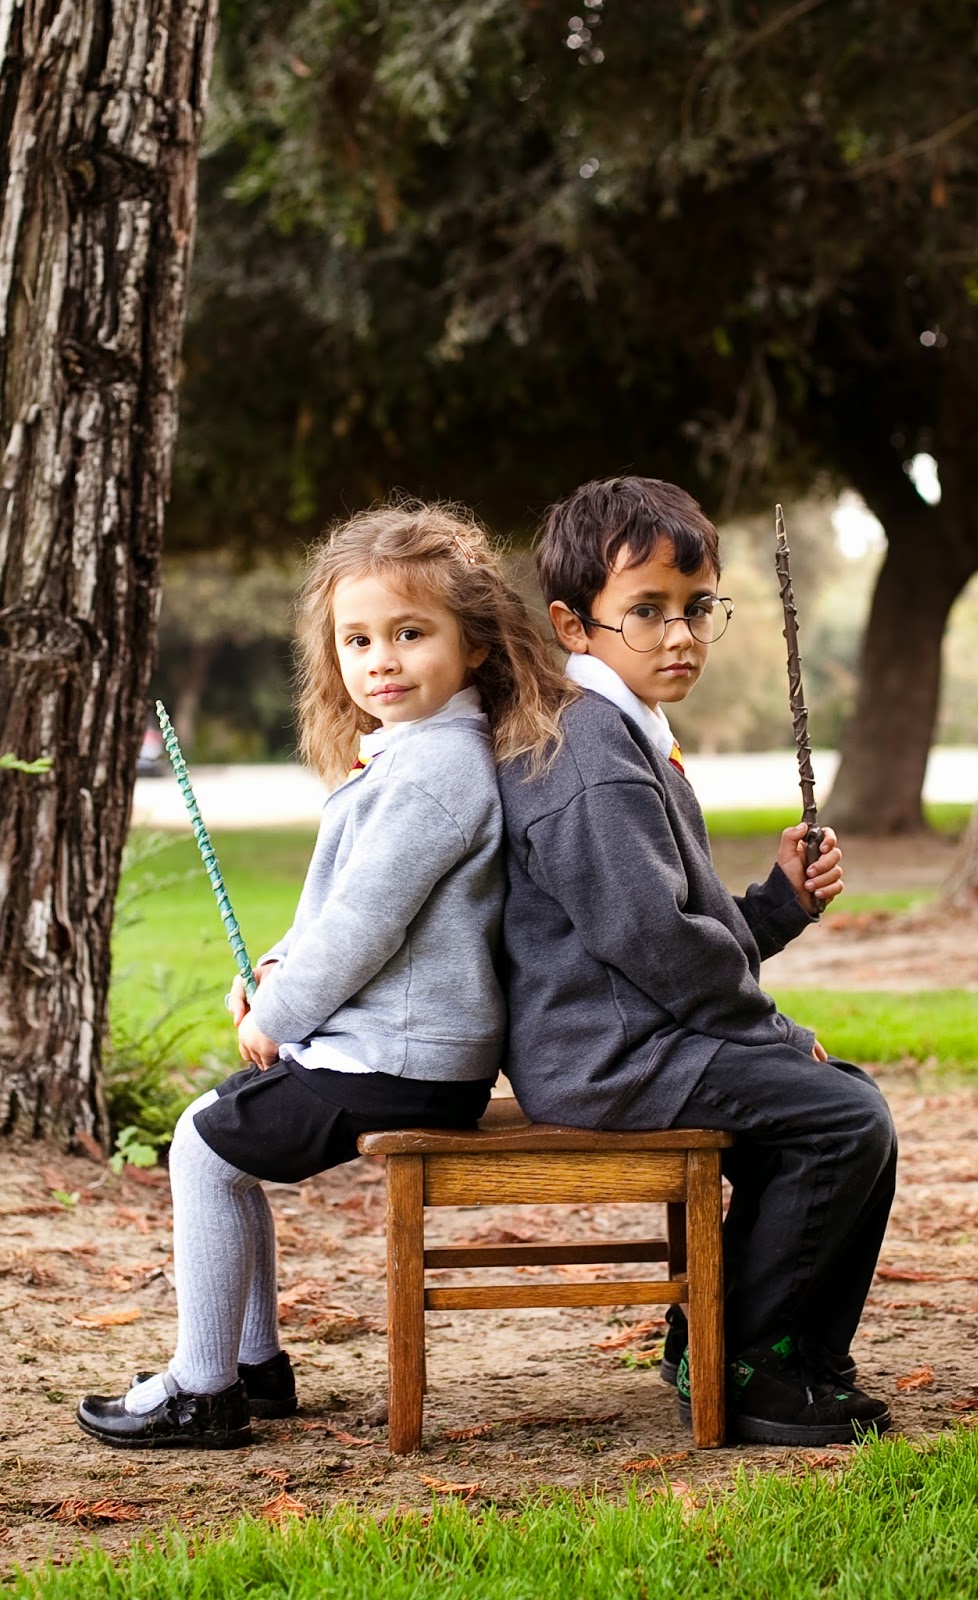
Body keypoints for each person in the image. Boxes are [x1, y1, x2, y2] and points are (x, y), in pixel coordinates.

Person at [78, 499, 572, 1450]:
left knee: (204, 1149)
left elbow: (362, 928)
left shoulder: (433, 771)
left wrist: (281, 1014)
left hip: (402, 1059)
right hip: (399, 1049)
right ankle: (253, 1366)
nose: (382, 659)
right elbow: (341, 907)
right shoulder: (412, 754)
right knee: (214, 1137)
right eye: (358, 640)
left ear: (473, 644)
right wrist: (274, 968)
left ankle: (204, 1387)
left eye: (410, 633)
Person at [498, 475, 897, 1447]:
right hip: (606, 1053)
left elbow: (683, 925)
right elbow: (661, 947)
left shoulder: (626, 730)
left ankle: (784, 1351)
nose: (679, 635)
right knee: (843, 1119)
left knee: (842, 1107)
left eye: (696, 607)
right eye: (646, 611)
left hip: (643, 1032)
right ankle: (744, 1365)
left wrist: (778, 904)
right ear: (573, 624)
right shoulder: (587, 754)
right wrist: (776, 1036)